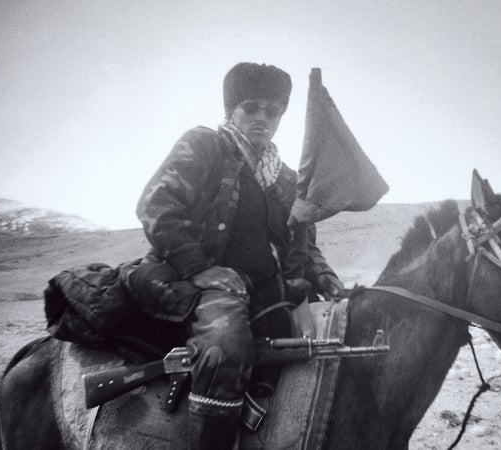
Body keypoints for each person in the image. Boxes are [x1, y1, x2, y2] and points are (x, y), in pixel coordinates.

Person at [123, 62, 343, 450]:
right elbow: (156, 205)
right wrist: (199, 269)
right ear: (231, 111)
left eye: (272, 110)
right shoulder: (205, 145)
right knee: (225, 348)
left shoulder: (288, 178)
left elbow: (303, 242)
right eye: (251, 107)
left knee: (328, 341)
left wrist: (324, 277)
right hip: (203, 282)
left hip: (268, 290)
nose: (262, 117)